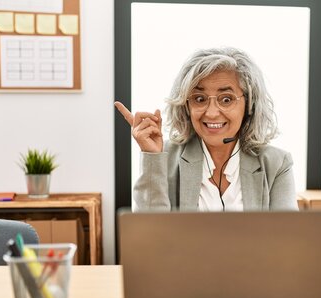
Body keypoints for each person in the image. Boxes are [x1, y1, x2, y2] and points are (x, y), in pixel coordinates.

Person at [115, 47, 298, 212]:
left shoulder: (276, 163)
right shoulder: (166, 156)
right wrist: (152, 157)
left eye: (226, 99)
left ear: (249, 104)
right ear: (186, 105)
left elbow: (288, 240)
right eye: (200, 99)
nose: (211, 113)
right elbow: (150, 237)